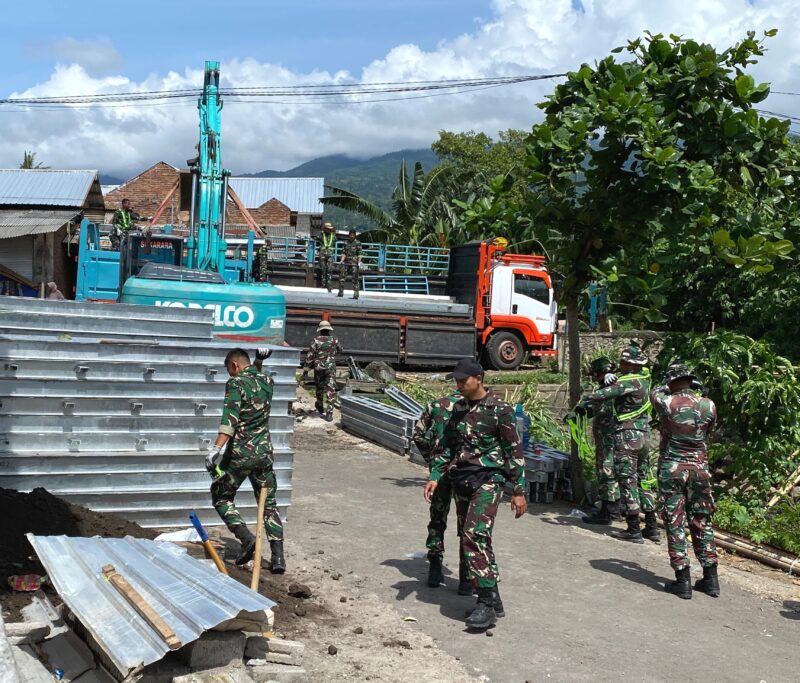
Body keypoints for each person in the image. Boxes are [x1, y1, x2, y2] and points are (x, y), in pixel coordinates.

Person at [423, 358, 527, 630]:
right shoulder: (458, 408)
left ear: (478, 378)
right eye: (456, 380)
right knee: (477, 537)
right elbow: (446, 446)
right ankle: (494, 595)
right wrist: (435, 476)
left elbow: (513, 452)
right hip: (463, 480)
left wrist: (518, 491)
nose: (458, 385)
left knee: (473, 535)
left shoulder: (500, 410)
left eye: (462, 380)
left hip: (489, 480)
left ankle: (485, 605)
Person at [205, 348, 285, 573]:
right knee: (268, 504)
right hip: (264, 454)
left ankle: (246, 538)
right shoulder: (267, 380)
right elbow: (255, 383)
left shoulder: (235, 384)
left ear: (234, 366)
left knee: (221, 496)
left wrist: (216, 449)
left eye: (230, 372)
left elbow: (229, 419)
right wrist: (259, 360)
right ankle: (278, 558)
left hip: (240, 455)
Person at [576, 343, 660, 543]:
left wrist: (604, 385)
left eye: (623, 362)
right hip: (644, 436)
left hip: (627, 437)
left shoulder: (628, 382)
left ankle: (633, 528)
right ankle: (652, 526)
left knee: (627, 480)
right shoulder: (645, 379)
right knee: (643, 480)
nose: (619, 365)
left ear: (631, 365)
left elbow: (598, 396)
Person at [651, 363, 719, 599]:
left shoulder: (666, 402)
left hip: (673, 468)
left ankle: (683, 580)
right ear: (691, 381)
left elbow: (655, 392)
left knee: (675, 520)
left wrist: (664, 384)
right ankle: (711, 579)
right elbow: (708, 430)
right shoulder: (708, 404)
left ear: (671, 381)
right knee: (702, 519)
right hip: (700, 469)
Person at [413, 392, 472, 594]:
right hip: (467, 472)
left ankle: (435, 566)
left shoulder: (435, 405)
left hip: (439, 471)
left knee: (438, 517)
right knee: (467, 523)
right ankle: (466, 578)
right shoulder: (476, 407)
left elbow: (418, 434)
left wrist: (431, 458)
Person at [572, 356, 623, 525]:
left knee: (607, 472)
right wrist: (579, 412)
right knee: (604, 471)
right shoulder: (605, 388)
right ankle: (608, 508)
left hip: (610, 439)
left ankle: (609, 512)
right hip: (604, 438)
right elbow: (594, 409)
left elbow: (603, 408)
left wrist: (586, 404)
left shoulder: (613, 388)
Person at [304, 320, 342, 421]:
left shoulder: (316, 340)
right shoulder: (335, 340)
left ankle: (320, 406)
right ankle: (329, 413)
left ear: (320, 330)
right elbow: (340, 350)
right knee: (331, 389)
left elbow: (310, 356)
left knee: (319, 387)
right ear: (329, 329)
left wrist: (306, 369)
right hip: (330, 367)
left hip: (319, 367)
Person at [337, 229, 362, 299]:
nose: (351, 236)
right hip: (346, 263)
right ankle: (340, 292)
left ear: (355, 235)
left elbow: (360, 254)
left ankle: (356, 294)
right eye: (350, 235)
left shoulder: (358, 243)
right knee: (342, 278)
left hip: (354, 263)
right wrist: (341, 261)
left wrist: (359, 262)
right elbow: (344, 253)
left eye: (352, 235)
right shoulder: (346, 243)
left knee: (355, 279)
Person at [319, 222, 336, 292]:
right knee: (323, 269)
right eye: (327, 229)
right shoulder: (321, 235)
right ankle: (323, 284)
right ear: (325, 229)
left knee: (329, 269)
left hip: (330, 254)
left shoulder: (333, 236)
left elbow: (336, 240)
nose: (328, 230)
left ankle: (329, 285)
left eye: (329, 229)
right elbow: (316, 238)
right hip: (323, 254)